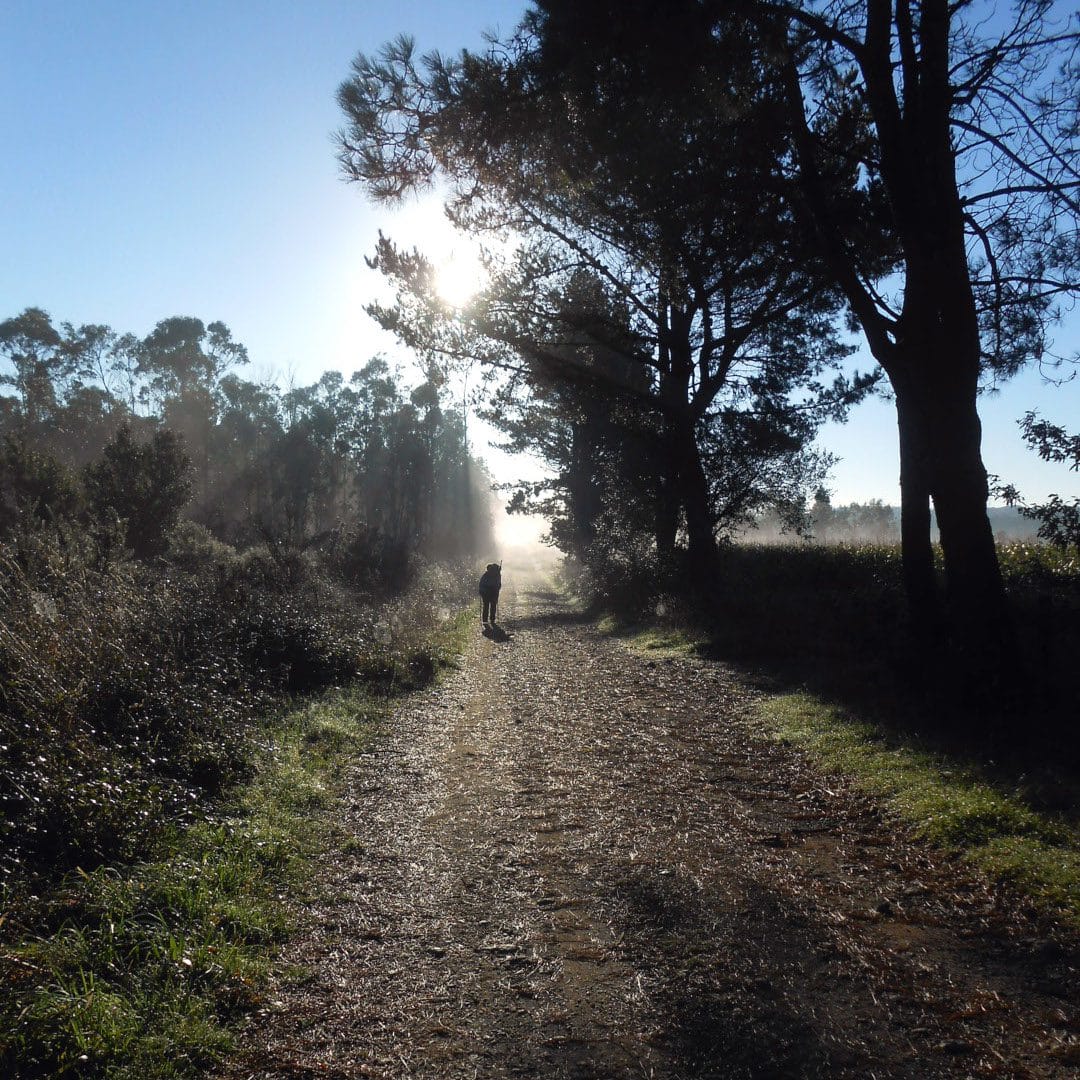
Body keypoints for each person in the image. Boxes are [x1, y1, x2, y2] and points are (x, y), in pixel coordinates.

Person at [478, 562, 501, 629]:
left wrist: (481, 591)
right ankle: (492, 620)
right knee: (493, 605)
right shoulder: (497, 575)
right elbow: (498, 584)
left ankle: (485, 620)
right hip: (492, 592)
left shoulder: (486, 574)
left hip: (486, 592)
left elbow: (481, 584)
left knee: (486, 606)